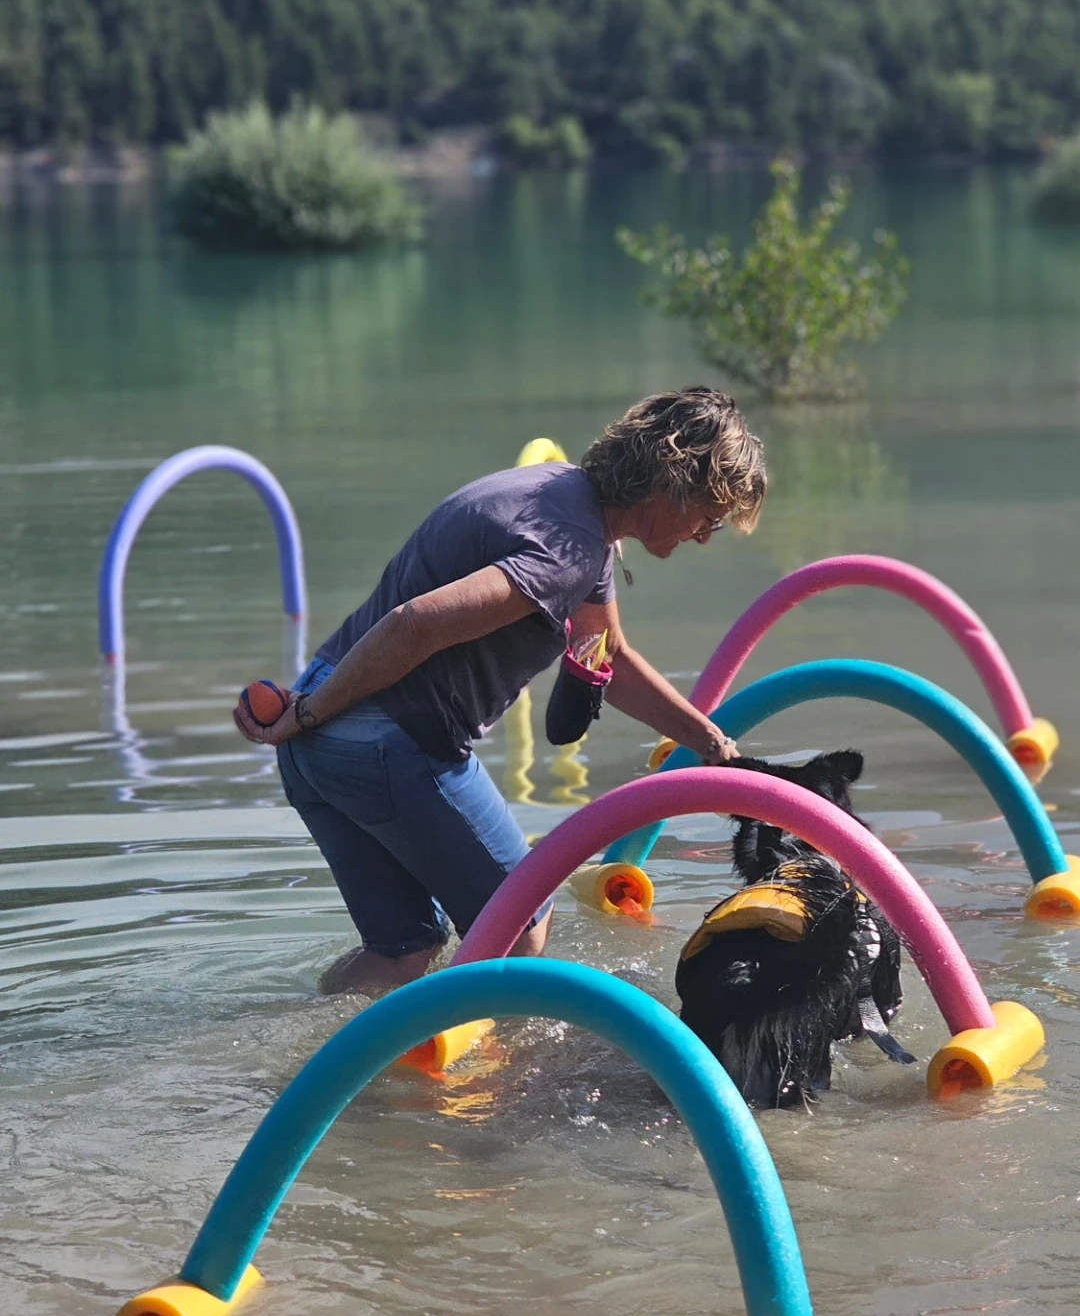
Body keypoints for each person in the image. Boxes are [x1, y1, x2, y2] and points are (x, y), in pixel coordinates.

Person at [233, 388, 765, 995]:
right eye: (710, 514)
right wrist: (306, 713)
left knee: (402, 951)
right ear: (671, 483)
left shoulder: (565, 499)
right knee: (521, 929)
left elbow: (605, 654)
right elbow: (415, 624)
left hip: (321, 745)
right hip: (374, 736)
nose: (705, 535)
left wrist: (712, 743)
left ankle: (319, 1066)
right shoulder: (569, 550)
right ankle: (481, 1085)